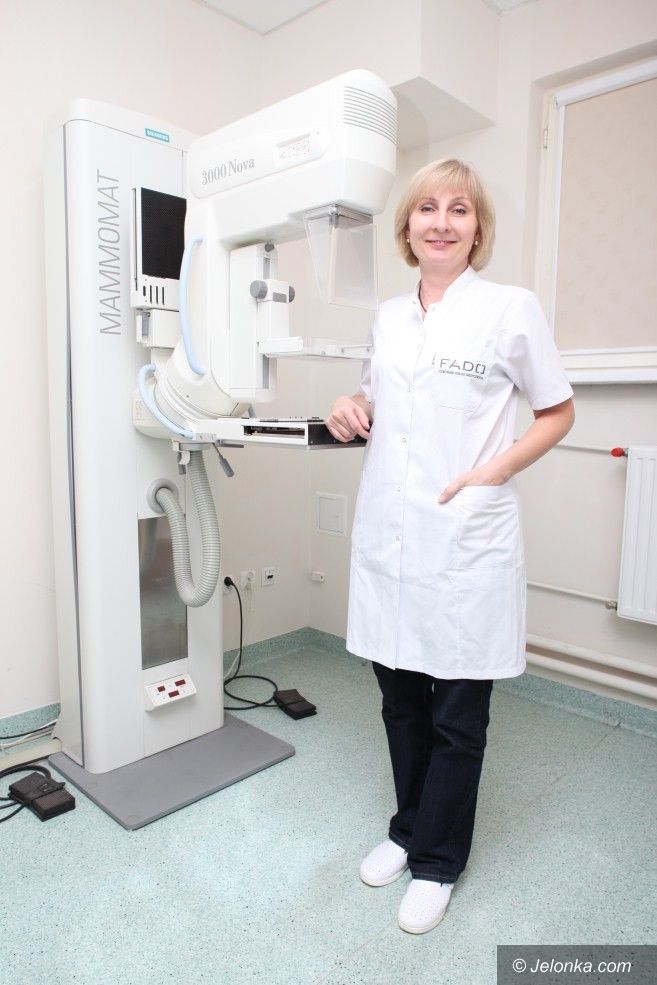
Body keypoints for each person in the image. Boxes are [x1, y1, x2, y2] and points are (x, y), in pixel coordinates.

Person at [326, 159, 575, 935]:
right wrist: (348, 404)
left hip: (466, 538)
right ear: (407, 227)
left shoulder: (509, 308)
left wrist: (492, 471)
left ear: (477, 227)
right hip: (390, 537)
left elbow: (556, 411)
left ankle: (437, 860)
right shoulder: (388, 318)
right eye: (426, 208)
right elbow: (377, 399)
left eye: (458, 209)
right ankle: (407, 830)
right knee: (399, 702)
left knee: (456, 716)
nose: (440, 222)